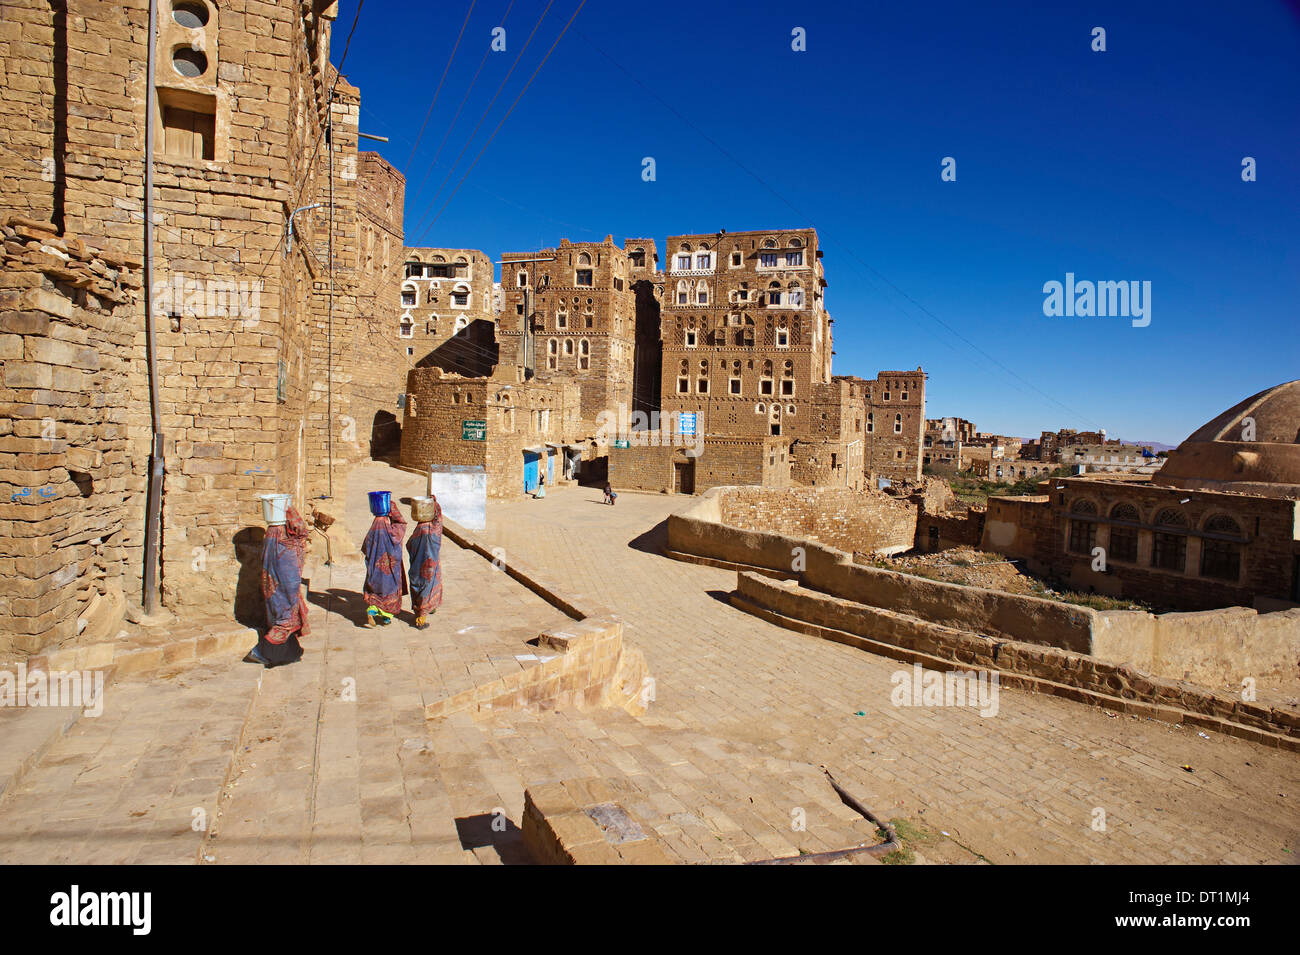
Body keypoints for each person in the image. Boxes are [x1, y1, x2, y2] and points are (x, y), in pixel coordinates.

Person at [248, 505, 310, 667]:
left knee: (282, 618)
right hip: (285, 590)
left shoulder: (270, 536)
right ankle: (261, 652)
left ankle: (293, 653)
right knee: (285, 621)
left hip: (272, 589)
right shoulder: (287, 544)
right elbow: (291, 572)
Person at [361, 499, 407, 626]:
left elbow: (365, 547)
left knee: (375, 593)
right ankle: (386, 618)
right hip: (390, 572)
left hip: (375, 570)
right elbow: (401, 522)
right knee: (389, 594)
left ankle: (372, 610)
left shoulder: (374, 527)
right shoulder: (393, 532)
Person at [406, 496, 443, 630]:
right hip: (430, 567)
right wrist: (436, 504)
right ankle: (421, 618)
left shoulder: (418, 530)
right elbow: (439, 519)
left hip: (417, 567)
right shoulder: (434, 530)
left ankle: (424, 610)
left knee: (417, 586)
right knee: (429, 587)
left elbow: (409, 545)